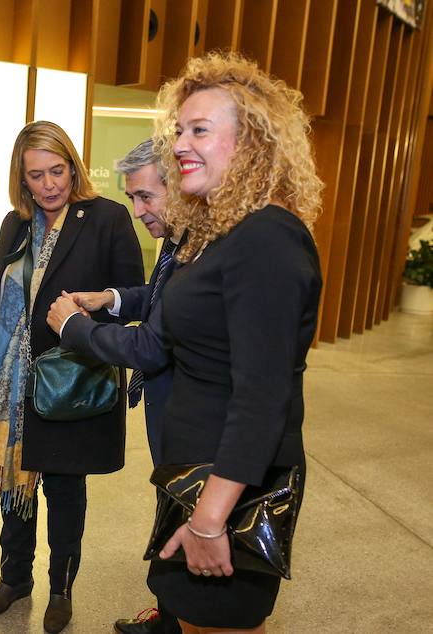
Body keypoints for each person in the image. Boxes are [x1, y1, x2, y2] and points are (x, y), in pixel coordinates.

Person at [146, 52, 323, 633]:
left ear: (251, 144)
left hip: (229, 494)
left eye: (200, 130)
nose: (179, 145)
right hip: (199, 478)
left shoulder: (266, 240)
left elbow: (262, 398)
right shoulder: (227, 233)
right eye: (179, 131)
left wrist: (209, 519)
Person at [0, 120, 144, 634]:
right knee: (14, 484)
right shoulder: (13, 225)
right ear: (22, 180)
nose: (49, 185)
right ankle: (14, 577)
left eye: (57, 171)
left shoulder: (107, 218)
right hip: (9, 381)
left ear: (73, 166)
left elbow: (131, 295)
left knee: (64, 488)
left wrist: (86, 319)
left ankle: (61, 587)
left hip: (70, 380)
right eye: (36, 175)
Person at [46, 138, 183, 634]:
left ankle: (177, 617)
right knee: (174, 510)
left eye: (146, 197)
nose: (138, 210)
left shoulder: (203, 247)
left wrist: (74, 329)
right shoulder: (177, 240)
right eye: (132, 199)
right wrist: (109, 298)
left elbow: (151, 346)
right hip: (171, 415)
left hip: (193, 417)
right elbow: (158, 296)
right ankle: (170, 615)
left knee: (188, 515)